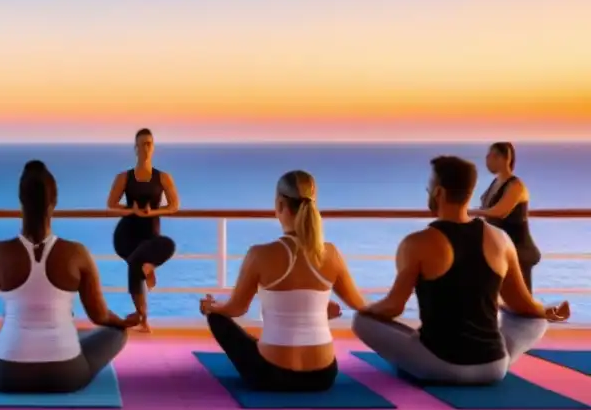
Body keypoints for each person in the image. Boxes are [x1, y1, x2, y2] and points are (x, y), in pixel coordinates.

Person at [353, 155, 569, 385]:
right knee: (536, 320)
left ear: (439, 193)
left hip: (438, 366)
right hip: (493, 368)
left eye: (430, 188)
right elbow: (523, 305)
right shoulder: (501, 240)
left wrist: (366, 308)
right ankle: (499, 354)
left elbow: (393, 307)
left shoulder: (416, 243)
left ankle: (413, 360)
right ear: (469, 192)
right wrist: (545, 312)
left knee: (361, 321)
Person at [0, 160, 140, 393]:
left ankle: (5, 346)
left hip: (5, 376)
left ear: (22, 202)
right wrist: (124, 322)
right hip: (67, 376)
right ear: (54, 202)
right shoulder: (77, 253)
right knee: (116, 333)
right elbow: (100, 316)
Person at [199, 170, 367, 392]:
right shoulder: (331, 253)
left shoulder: (260, 254)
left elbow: (236, 308)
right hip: (323, 377)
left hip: (271, 376)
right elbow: (360, 306)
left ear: (279, 205)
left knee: (217, 319)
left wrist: (212, 307)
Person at [106, 128, 180, 333]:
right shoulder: (124, 177)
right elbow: (111, 203)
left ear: (153, 147)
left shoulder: (163, 177)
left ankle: (143, 317)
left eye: (149, 143)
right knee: (135, 264)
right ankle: (143, 319)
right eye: (142, 144)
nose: (146, 147)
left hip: (151, 235)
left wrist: (152, 212)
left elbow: (174, 205)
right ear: (135, 148)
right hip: (126, 235)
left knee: (168, 245)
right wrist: (133, 210)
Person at [473, 142, 541, 291]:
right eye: (487, 156)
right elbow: (487, 210)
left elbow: (500, 212)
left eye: (492, 156)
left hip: (518, 251)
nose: (487, 160)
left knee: (523, 306)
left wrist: (470, 212)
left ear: (506, 158)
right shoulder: (496, 182)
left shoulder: (516, 186)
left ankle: (555, 312)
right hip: (502, 249)